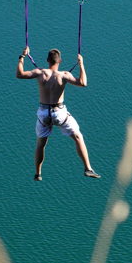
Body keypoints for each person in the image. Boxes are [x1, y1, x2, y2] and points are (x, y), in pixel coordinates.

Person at [16, 46, 101, 181]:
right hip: (59, 113)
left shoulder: (39, 72)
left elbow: (19, 74)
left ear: (47, 60)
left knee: (41, 144)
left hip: (43, 114)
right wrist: (81, 64)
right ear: (60, 61)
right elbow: (83, 83)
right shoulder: (64, 75)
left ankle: (38, 173)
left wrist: (22, 56)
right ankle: (88, 168)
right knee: (78, 137)